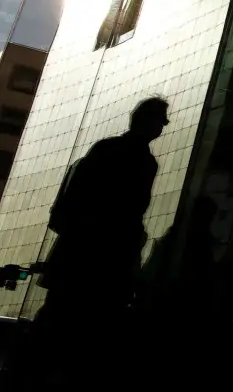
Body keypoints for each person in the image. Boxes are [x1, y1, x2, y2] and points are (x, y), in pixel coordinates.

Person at [22, 97, 170, 389]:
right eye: (160, 120)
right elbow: (130, 211)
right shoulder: (141, 161)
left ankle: (35, 378)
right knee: (86, 331)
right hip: (104, 260)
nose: (162, 127)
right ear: (148, 122)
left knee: (58, 323)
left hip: (83, 255)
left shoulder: (109, 150)